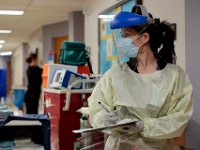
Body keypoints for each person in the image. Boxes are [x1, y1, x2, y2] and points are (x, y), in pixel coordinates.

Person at [88, 5, 193, 150]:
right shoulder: (115, 74)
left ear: (144, 37)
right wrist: (103, 119)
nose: (120, 41)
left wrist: (144, 126)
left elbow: (179, 119)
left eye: (126, 35)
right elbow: (96, 106)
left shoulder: (175, 76)